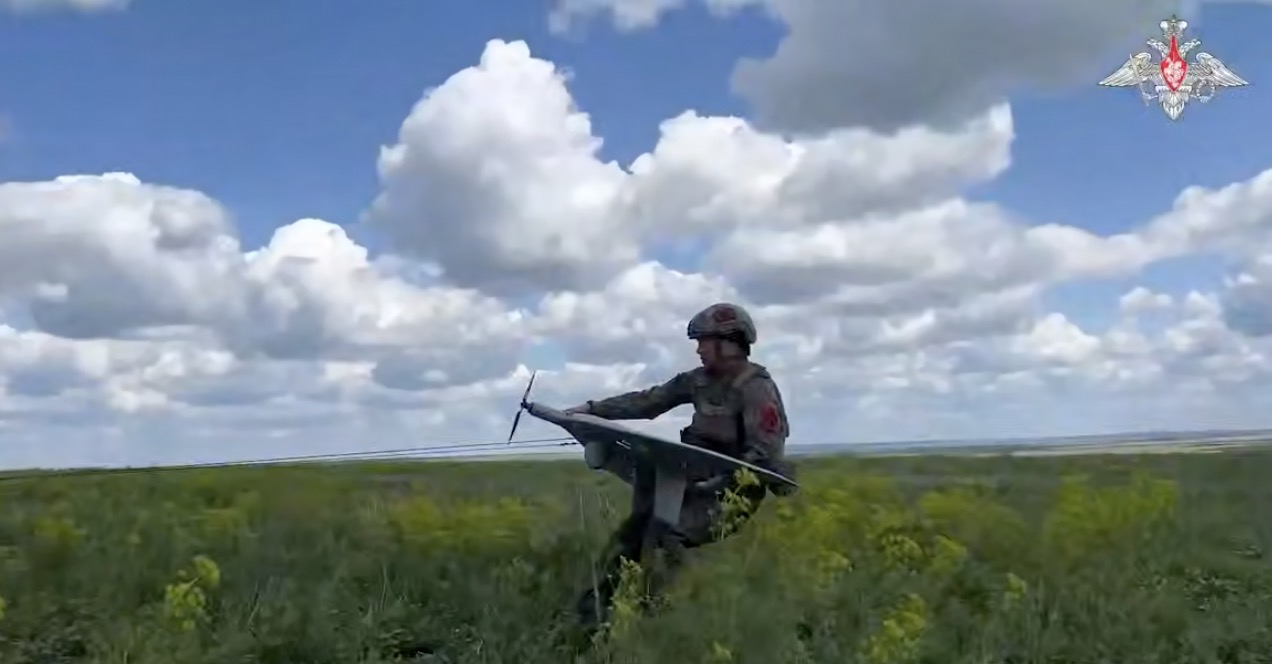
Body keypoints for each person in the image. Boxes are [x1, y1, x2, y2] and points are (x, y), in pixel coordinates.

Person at [562, 302, 795, 632]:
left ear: (729, 342)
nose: (698, 350)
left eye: (704, 341)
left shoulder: (756, 388)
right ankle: (587, 624)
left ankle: (656, 626)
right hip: (686, 485)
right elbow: (649, 400)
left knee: (664, 540)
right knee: (628, 540)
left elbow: (766, 452)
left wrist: (720, 480)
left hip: (729, 497)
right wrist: (590, 410)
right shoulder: (697, 381)